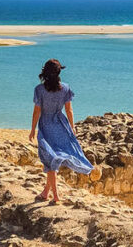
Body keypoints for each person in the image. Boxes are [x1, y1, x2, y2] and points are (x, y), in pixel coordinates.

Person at [29, 58, 93, 203]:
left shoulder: (39, 90)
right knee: (52, 159)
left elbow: (37, 112)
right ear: (58, 72)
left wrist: (32, 129)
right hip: (60, 125)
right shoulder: (65, 88)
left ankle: (56, 196)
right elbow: (69, 110)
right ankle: (46, 192)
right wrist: (72, 127)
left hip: (45, 126)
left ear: (44, 72)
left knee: (50, 160)